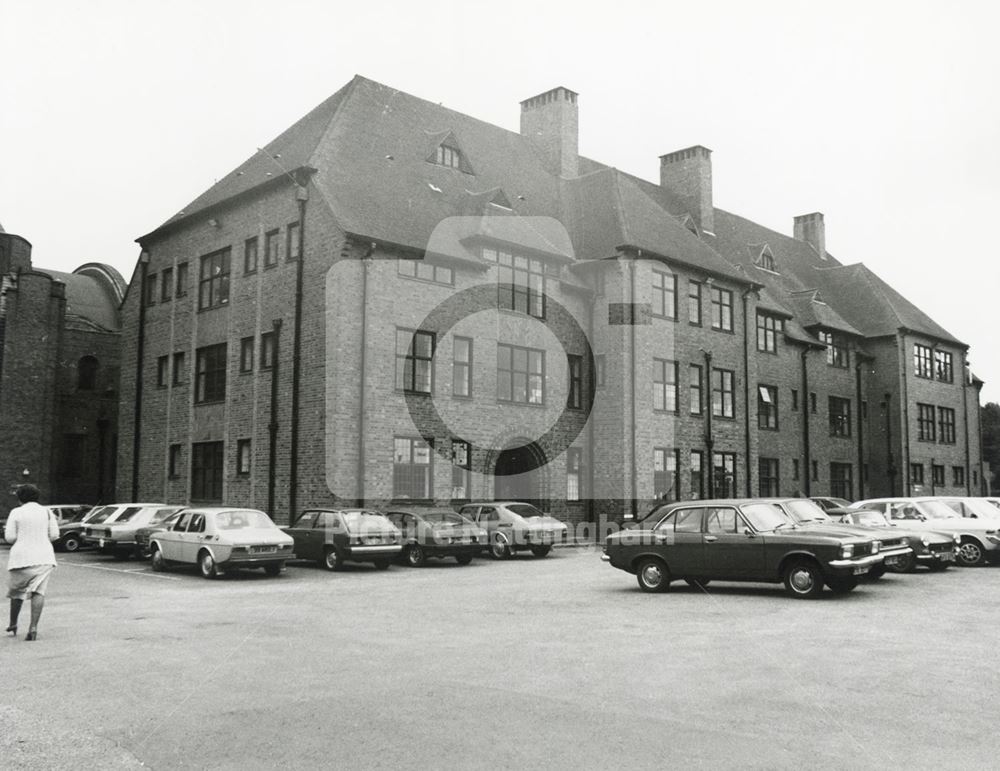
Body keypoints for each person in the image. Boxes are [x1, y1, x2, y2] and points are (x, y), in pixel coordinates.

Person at [5, 484, 58, 641]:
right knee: (38, 592)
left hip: (21, 558)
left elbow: (10, 538)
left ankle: (13, 623)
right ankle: (33, 627)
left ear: (20, 498)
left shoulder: (16, 512)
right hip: (44, 557)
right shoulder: (47, 512)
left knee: (16, 592)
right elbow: (55, 535)